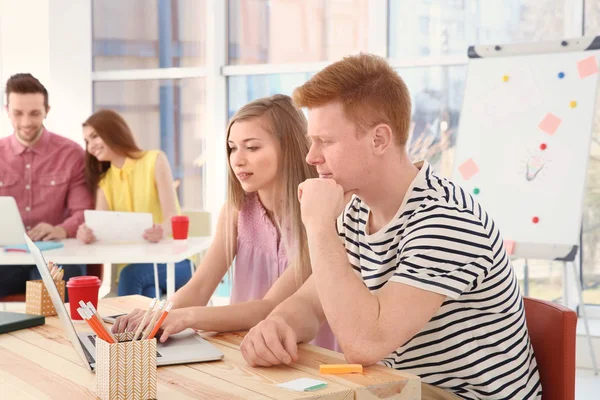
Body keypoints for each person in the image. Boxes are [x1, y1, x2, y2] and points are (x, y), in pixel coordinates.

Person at [239, 54, 542, 400]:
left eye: (326, 141)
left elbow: (365, 343)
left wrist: (320, 228)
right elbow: (310, 304)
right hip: (401, 390)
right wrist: (279, 325)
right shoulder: (355, 210)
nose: (311, 156)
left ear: (379, 140)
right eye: (313, 140)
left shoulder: (446, 220)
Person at [111, 95, 337, 351]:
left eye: (251, 147)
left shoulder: (318, 212)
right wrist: (156, 315)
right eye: (232, 147)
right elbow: (200, 285)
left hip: (308, 354)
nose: (237, 160)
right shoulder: (236, 211)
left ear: (289, 148)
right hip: (245, 349)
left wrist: (186, 317)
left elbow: (269, 307)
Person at [76, 109, 191, 297]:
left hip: (174, 262)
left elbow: (173, 217)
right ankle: (145, 327)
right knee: (147, 292)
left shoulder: (154, 160)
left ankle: (125, 328)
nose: (90, 146)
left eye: (95, 137)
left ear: (114, 132)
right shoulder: (104, 182)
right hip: (136, 268)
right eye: (87, 141)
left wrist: (160, 230)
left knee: (131, 276)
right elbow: (99, 228)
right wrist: (88, 233)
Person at [0, 73, 92, 298]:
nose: (26, 122)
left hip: (57, 256)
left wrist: (61, 229)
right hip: (5, 257)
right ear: (7, 110)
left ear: (47, 110)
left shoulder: (71, 154)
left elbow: (83, 212)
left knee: (63, 287)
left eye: (34, 113)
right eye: (17, 113)